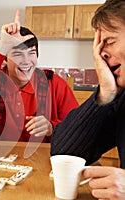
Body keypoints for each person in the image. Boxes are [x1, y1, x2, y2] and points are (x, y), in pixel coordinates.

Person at [0, 10, 78, 142]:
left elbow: (76, 124)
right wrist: (3, 46)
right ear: (5, 59)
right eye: (18, 54)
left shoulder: (52, 82)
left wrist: (51, 127)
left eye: (31, 53)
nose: (26, 61)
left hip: (41, 155)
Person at [51, 0, 125, 199]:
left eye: (109, 42)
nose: (100, 53)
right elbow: (64, 153)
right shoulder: (121, 99)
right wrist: (105, 94)